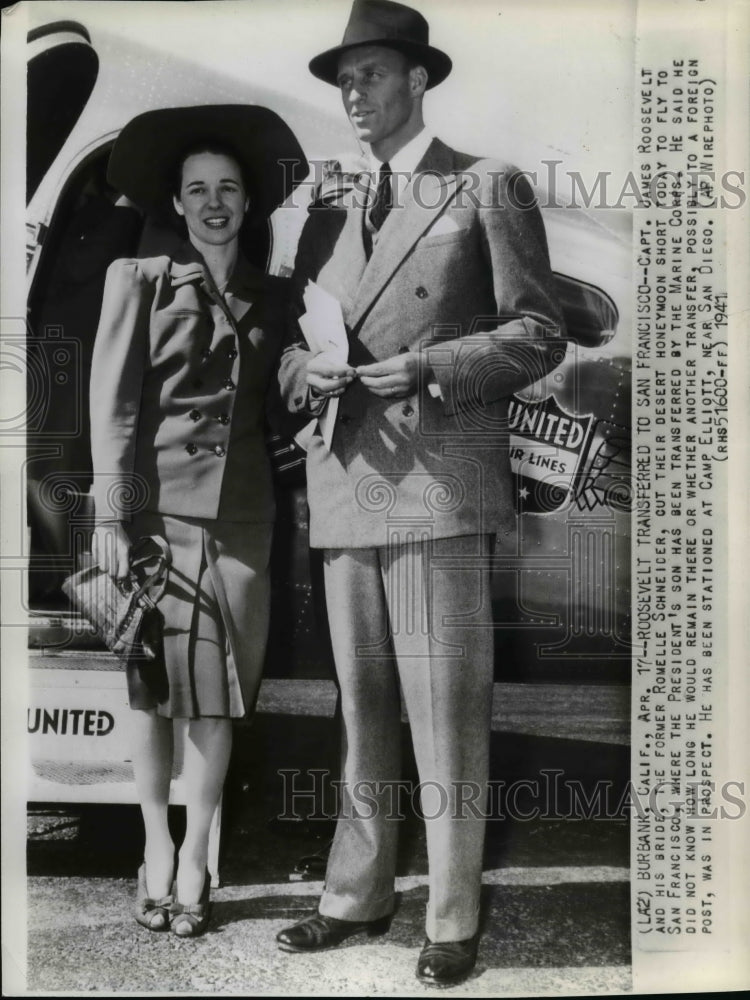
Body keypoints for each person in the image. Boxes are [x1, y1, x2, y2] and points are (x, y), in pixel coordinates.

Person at [276, 0, 566, 986]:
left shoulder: (489, 185)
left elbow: (539, 333)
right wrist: (297, 376)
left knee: (446, 707)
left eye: (369, 75)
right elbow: (291, 346)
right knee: (361, 710)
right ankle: (354, 897)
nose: (353, 94)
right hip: (350, 482)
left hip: (440, 485)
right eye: (343, 80)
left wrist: (433, 365)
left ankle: (451, 915)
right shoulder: (323, 213)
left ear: (417, 81)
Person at [89, 105, 306, 936]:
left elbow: (285, 397)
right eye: (197, 190)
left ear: (247, 203)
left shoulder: (276, 296)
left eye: (228, 189)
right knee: (152, 696)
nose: (214, 203)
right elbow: (111, 405)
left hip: (243, 521)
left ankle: (194, 855)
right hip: (151, 517)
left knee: (218, 697)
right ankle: (152, 846)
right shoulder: (136, 279)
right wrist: (110, 514)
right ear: (176, 203)